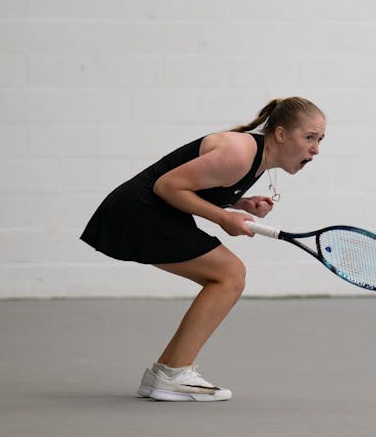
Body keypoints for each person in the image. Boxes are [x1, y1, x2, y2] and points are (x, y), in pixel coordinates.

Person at [81, 96, 326, 402]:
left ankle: (165, 374)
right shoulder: (240, 154)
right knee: (229, 275)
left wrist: (238, 203)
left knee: (228, 274)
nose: (316, 149)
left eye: (319, 140)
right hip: (139, 211)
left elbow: (198, 185)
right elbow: (166, 186)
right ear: (279, 134)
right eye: (309, 138)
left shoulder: (257, 159)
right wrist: (224, 217)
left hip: (147, 210)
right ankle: (173, 374)